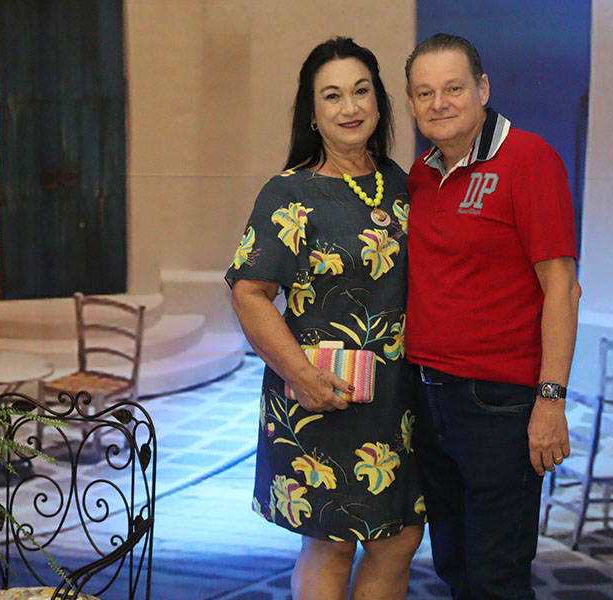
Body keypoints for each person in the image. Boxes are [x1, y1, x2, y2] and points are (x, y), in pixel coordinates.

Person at [226, 37, 425, 600]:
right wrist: (301, 375)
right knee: (330, 543)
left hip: (399, 400)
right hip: (322, 394)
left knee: (401, 537)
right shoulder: (289, 193)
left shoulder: (401, 182)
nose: (350, 107)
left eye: (361, 91)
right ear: (312, 114)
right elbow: (249, 294)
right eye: (332, 96)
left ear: (379, 101)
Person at [404, 33, 581, 600]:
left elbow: (562, 288)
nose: (439, 103)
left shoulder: (528, 159)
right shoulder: (421, 174)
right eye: (424, 93)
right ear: (411, 103)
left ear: (482, 89)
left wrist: (550, 400)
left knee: (496, 579)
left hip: (498, 405)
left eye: (453, 88)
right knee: (455, 569)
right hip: (429, 399)